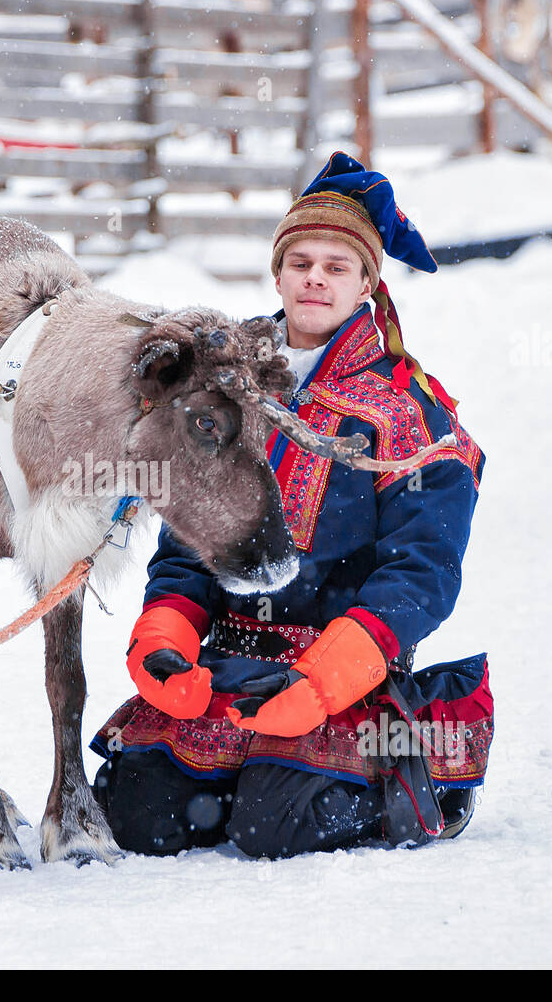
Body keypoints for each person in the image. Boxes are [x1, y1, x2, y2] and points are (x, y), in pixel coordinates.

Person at [90, 152, 494, 858]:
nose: (315, 278)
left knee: (270, 827)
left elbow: (423, 570)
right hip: (231, 663)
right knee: (138, 818)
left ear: (367, 282)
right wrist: (166, 634)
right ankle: (243, 773)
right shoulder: (227, 394)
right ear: (276, 274)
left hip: (341, 677)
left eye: (337, 267)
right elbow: (191, 540)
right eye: (299, 261)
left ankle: (416, 775)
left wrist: (330, 675)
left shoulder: (410, 415)